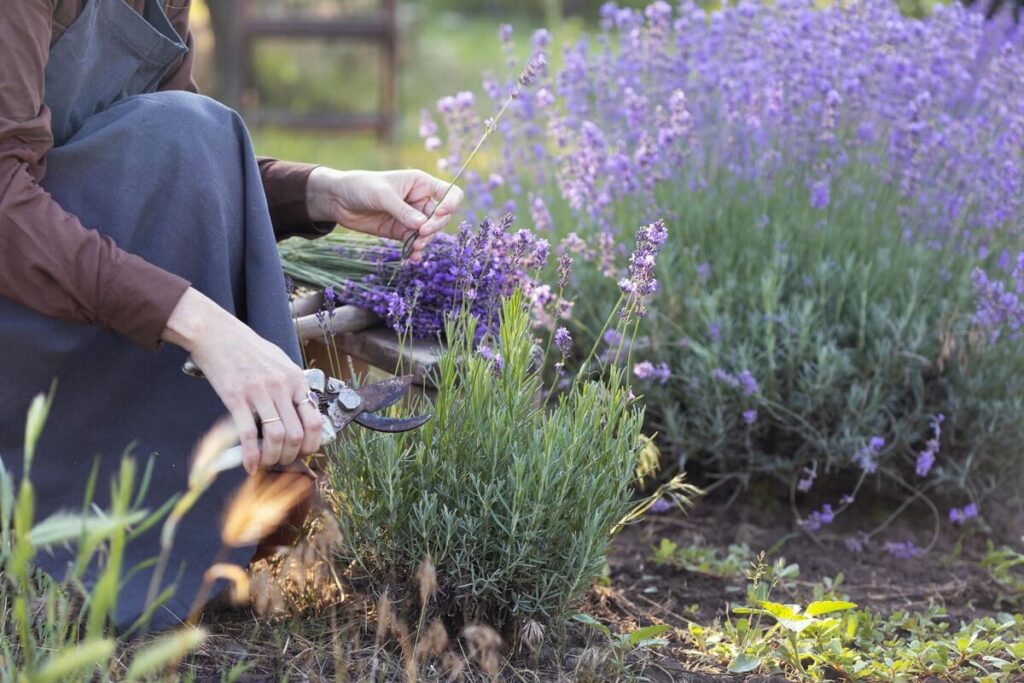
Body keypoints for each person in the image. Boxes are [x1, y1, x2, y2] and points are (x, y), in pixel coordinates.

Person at [0, 0, 463, 632]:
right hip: (22, 297)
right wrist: (203, 326)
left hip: (69, 288)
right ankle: (115, 523)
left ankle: (194, 509)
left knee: (195, 127)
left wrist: (323, 191)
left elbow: (178, 162)